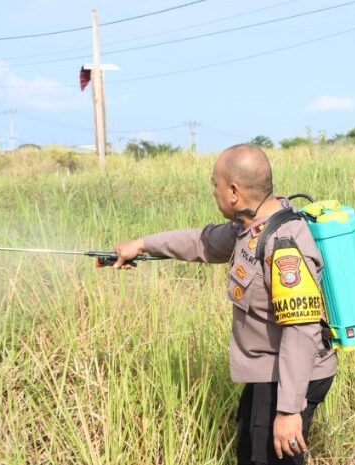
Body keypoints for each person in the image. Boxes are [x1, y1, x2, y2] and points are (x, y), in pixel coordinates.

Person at [114, 144, 336, 465]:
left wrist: (289, 410)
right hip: (268, 372)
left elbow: (301, 330)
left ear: (233, 191)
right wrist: (142, 245)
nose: (213, 192)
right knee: (249, 453)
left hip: (289, 376)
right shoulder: (251, 227)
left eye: (215, 185)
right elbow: (201, 242)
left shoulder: (283, 243)